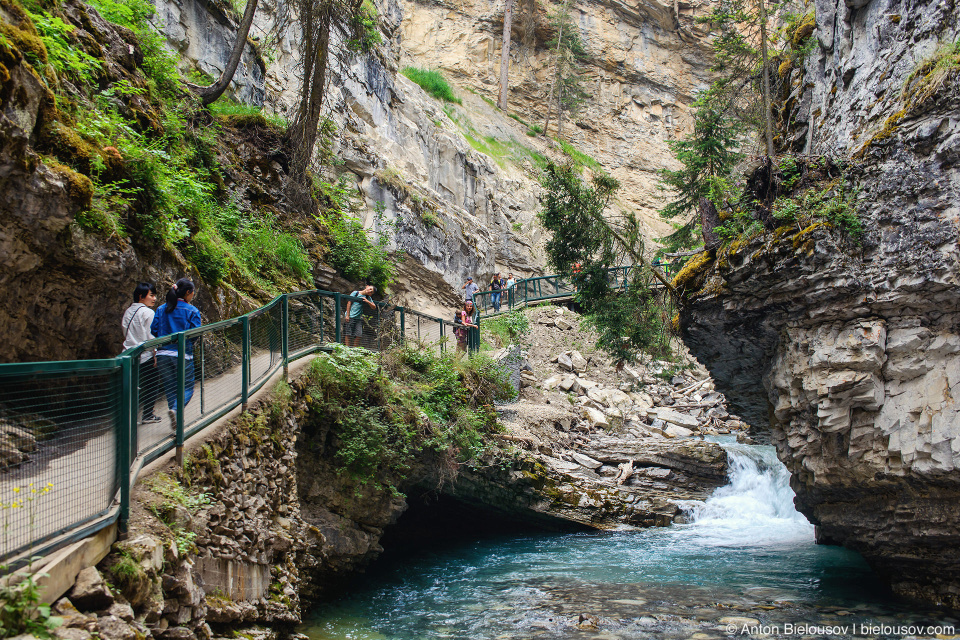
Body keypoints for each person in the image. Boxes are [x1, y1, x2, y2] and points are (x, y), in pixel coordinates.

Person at [151, 279, 202, 424]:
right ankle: (176, 411)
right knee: (187, 387)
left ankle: (176, 423)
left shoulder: (161, 309)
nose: (192, 296)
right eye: (192, 293)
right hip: (182, 354)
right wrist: (187, 343)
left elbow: (154, 330)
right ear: (187, 292)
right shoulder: (192, 310)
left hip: (162, 354)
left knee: (170, 388)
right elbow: (195, 333)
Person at [122, 283, 160, 424]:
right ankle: (148, 414)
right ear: (141, 296)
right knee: (151, 385)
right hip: (145, 355)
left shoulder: (128, 312)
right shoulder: (148, 312)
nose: (154, 298)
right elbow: (152, 337)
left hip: (129, 354)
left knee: (131, 387)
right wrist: (156, 354)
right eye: (151, 295)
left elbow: (125, 331)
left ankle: (127, 417)